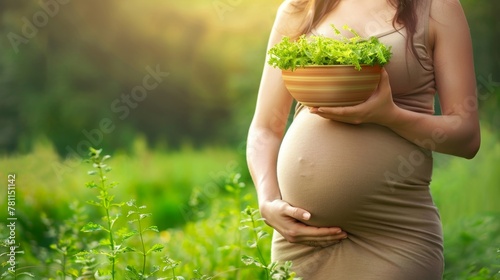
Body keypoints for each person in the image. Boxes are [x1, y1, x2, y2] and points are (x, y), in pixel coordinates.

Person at [246, 0, 480, 279]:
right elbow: (265, 129)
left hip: (393, 239)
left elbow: (467, 137)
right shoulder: (300, 8)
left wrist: (390, 115)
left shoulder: (436, 7)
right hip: (300, 242)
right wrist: (268, 201)